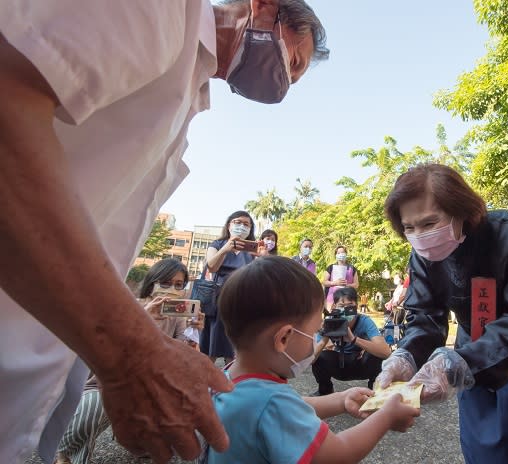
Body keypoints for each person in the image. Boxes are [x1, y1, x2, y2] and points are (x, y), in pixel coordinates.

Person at [0, 0, 329, 461]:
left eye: (292, 81)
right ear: (264, 7)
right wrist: (129, 351)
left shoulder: (188, 88)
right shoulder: (165, 10)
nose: (282, 84)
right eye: (290, 62)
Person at [377, 163, 508, 464]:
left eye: (429, 223)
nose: (419, 237)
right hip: (473, 336)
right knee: (480, 430)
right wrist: (407, 355)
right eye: (409, 227)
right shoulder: (421, 255)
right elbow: (424, 316)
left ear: (460, 212)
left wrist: (464, 362)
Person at [204, 256, 419, 463]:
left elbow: (293, 406)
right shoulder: (273, 403)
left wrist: (341, 400)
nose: (314, 341)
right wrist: (386, 417)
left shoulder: (228, 379)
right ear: (284, 338)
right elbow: (339, 454)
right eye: (314, 331)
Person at [55, 259, 201, 464]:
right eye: (166, 283)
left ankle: (139, 440)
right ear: (153, 281)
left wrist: (193, 332)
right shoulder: (127, 306)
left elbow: (181, 358)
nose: (172, 289)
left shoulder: (177, 316)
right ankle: (66, 454)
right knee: (92, 409)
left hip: (152, 388)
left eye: (179, 285)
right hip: (108, 385)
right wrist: (145, 319)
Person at [312, 287, 392, 396]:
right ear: (334, 307)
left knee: (375, 354)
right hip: (340, 366)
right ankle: (325, 390)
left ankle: (375, 390)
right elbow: (311, 360)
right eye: (341, 306)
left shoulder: (364, 321)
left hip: (361, 364)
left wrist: (354, 339)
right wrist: (324, 339)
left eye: (350, 306)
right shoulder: (330, 322)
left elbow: (386, 352)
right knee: (321, 357)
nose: (345, 310)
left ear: (356, 307)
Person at [202, 211, 258, 364]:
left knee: (233, 346)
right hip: (218, 300)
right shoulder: (217, 244)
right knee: (211, 346)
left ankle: (232, 384)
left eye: (246, 224)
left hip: (241, 301)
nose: (242, 227)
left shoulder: (252, 251)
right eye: (238, 222)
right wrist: (226, 248)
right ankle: (204, 383)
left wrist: (263, 257)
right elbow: (212, 266)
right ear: (229, 225)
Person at [322, 245, 360, 311]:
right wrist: (335, 283)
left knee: (347, 318)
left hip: (348, 299)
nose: (341, 254)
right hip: (331, 299)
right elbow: (324, 282)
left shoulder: (352, 269)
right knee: (331, 317)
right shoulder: (330, 267)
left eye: (342, 252)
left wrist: (347, 285)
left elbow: (356, 285)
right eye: (338, 253)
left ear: (346, 254)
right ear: (336, 255)